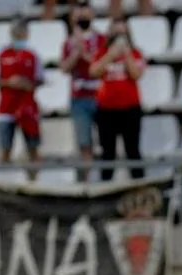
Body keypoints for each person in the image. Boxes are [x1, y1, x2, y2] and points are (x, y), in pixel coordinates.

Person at [91, 19, 146, 182]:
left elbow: (136, 74)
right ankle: (105, 188)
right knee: (108, 152)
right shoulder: (102, 53)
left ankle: (139, 187)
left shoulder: (136, 53)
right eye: (116, 33)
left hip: (130, 109)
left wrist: (126, 53)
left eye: (123, 33)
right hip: (107, 110)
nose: (120, 37)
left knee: (133, 151)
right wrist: (110, 55)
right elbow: (94, 71)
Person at [60, 1, 108, 180]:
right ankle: (87, 180)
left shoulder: (102, 39)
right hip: (79, 98)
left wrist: (85, 54)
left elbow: (103, 65)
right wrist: (76, 53)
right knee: (84, 143)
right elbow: (64, 67)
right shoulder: (69, 42)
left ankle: (104, 180)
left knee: (105, 142)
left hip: (102, 97)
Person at [0, 19, 44, 171]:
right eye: (16, 33)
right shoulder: (1, 55)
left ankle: (34, 181)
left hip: (27, 107)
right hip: (6, 108)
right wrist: (10, 82)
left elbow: (40, 79)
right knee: (5, 149)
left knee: (33, 149)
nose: (20, 36)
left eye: (22, 33)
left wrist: (28, 84)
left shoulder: (32, 55)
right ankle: (3, 179)